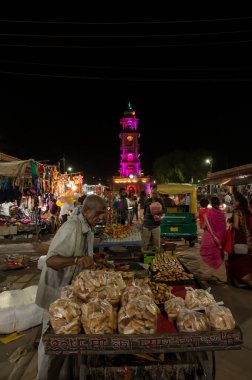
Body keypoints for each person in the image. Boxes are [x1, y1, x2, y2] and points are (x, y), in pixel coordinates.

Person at [35, 194, 107, 380]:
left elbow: (84, 255)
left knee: (65, 340)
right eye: (98, 213)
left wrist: (94, 258)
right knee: (50, 342)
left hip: (68, 293)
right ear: (86, 211)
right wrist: (76, 260)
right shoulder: (71, 228)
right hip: (54, 292)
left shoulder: (88, 228)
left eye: (103, 214)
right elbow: (51, 261)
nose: (101, 217)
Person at [199, 196, 227, 282]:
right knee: (217, 256)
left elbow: (204, 226)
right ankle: (217, 275)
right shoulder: (222, 214)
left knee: (207, 255)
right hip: (219, 239)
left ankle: (208, 275)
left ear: (211, 203)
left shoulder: (208, 214)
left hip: (208, 238)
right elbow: (224, 227)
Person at [227, 191, 252, 286]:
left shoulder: (237, 211)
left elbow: (236, 226)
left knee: (235, 259)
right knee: (246, 259)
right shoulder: (247, 210)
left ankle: (239, 281)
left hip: (239, 238)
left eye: (234, 201)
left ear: (238, 202)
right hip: (248, 238)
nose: (233, 202)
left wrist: (231, 223)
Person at [142, 187, 165, 252]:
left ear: (158, 193)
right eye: (153, 193)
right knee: (145, 244)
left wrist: (157, 212)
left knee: (157, 244)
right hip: (146, 225)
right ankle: (145, 257)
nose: (154, 194)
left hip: (156, 226)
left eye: (156, 193)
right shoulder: (147, 201)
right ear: (151, 193)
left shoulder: (160, 201)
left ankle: (156, 259)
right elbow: (144, 212)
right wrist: (143, 222)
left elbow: (165, 210)